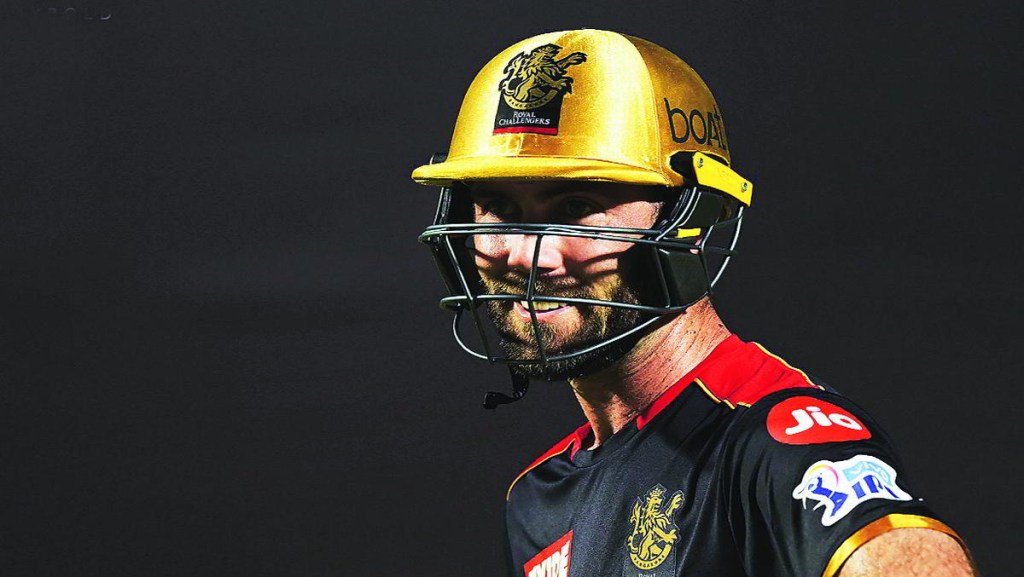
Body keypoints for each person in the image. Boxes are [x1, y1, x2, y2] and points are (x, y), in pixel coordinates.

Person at [411, 29, 974, 577]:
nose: (527, 256)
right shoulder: (538, 498)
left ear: (692, 223)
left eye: (576, 208)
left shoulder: (774, 442)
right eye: (499, 210)